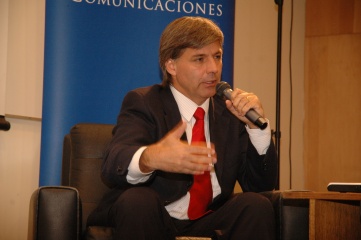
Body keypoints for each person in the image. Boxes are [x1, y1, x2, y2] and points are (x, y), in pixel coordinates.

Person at [88, 16, 278, 240]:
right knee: (137, 200)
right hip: (156, 216)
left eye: (217, 57)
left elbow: (261, 186)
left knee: (255, 205)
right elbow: (113, 163)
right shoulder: (144, 102)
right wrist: (151, 157)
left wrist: (257, 130)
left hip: (209, 219)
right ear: (171, 65)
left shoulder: (230, 110)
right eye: (199, 59)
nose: (213, 69)